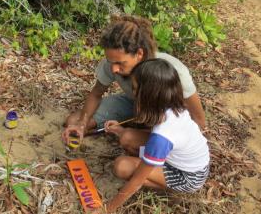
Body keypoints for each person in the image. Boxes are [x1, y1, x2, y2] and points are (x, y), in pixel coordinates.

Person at [61, 15, 206, 153]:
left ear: (139, 54)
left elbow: (199, 120)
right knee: (73, 121)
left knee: (129, 140)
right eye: (110, 61)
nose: (114, 69)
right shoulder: (113, 62)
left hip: (164, 118)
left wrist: (172, 146)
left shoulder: (171, 70)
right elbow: (96, 93)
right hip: (133, 104)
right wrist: (81, 124)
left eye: (120, 63)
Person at [100, 59, 210, 213]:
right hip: (186, 159)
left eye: (135, 89)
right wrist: (119, 130)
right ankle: (152, 165)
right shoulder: (171, 106)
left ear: (148, 95)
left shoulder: (162, 135)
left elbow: (137, 181)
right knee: (126, 136)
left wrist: (106, 209)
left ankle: (171, 190)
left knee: (122, 167)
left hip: (188, 177)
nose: (133, 93)